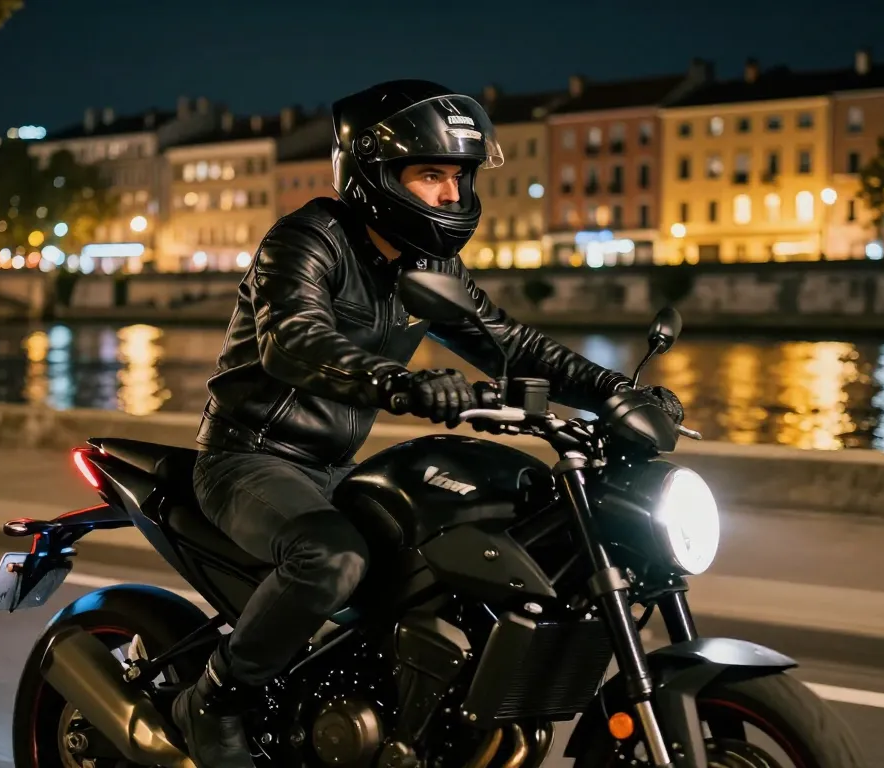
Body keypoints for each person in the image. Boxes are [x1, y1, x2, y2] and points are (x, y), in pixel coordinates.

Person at [171, 79, 684, 768]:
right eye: (431, 175)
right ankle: (214, 702)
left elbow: (508, 343)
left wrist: (617, 392)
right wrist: (397, 380)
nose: (450, 194)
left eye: (459, 177)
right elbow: (293, 340)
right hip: (250, 457)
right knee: (332, 557)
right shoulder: (306, 241)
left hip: (337, 467)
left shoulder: (429, 263)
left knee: (448, 554)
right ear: (376, 175)